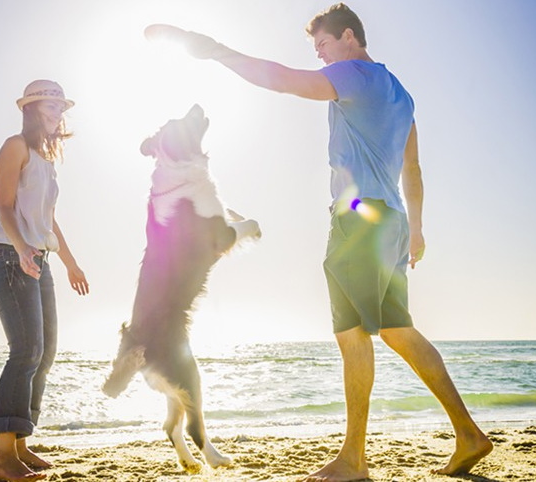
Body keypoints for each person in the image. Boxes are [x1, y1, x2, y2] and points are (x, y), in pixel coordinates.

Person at [145, 3, 494, 480]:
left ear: (349, 37)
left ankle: (354, 459)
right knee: (396, 329)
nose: (322, 58)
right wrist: (416, 228)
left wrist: (213, 50)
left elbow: (283, 80)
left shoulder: (354, 73)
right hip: (389, 219)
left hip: (357, 219)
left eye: (323, 47)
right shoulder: (402, 95)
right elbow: (412, 170)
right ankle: (467, 433)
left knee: (353, 335)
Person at [0, 79, 89, 482]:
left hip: (37, 258)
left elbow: (48, 220)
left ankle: (21, 445)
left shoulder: (46, 157)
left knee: (44, 355)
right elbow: (5, 207)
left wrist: (70, 263)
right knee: (25, 350)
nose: (58, 112)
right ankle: (2, 458)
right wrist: (23, 248)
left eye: (61, 106)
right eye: (51, 104)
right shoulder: (15, 146)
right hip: (8, 255)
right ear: (31, 108)